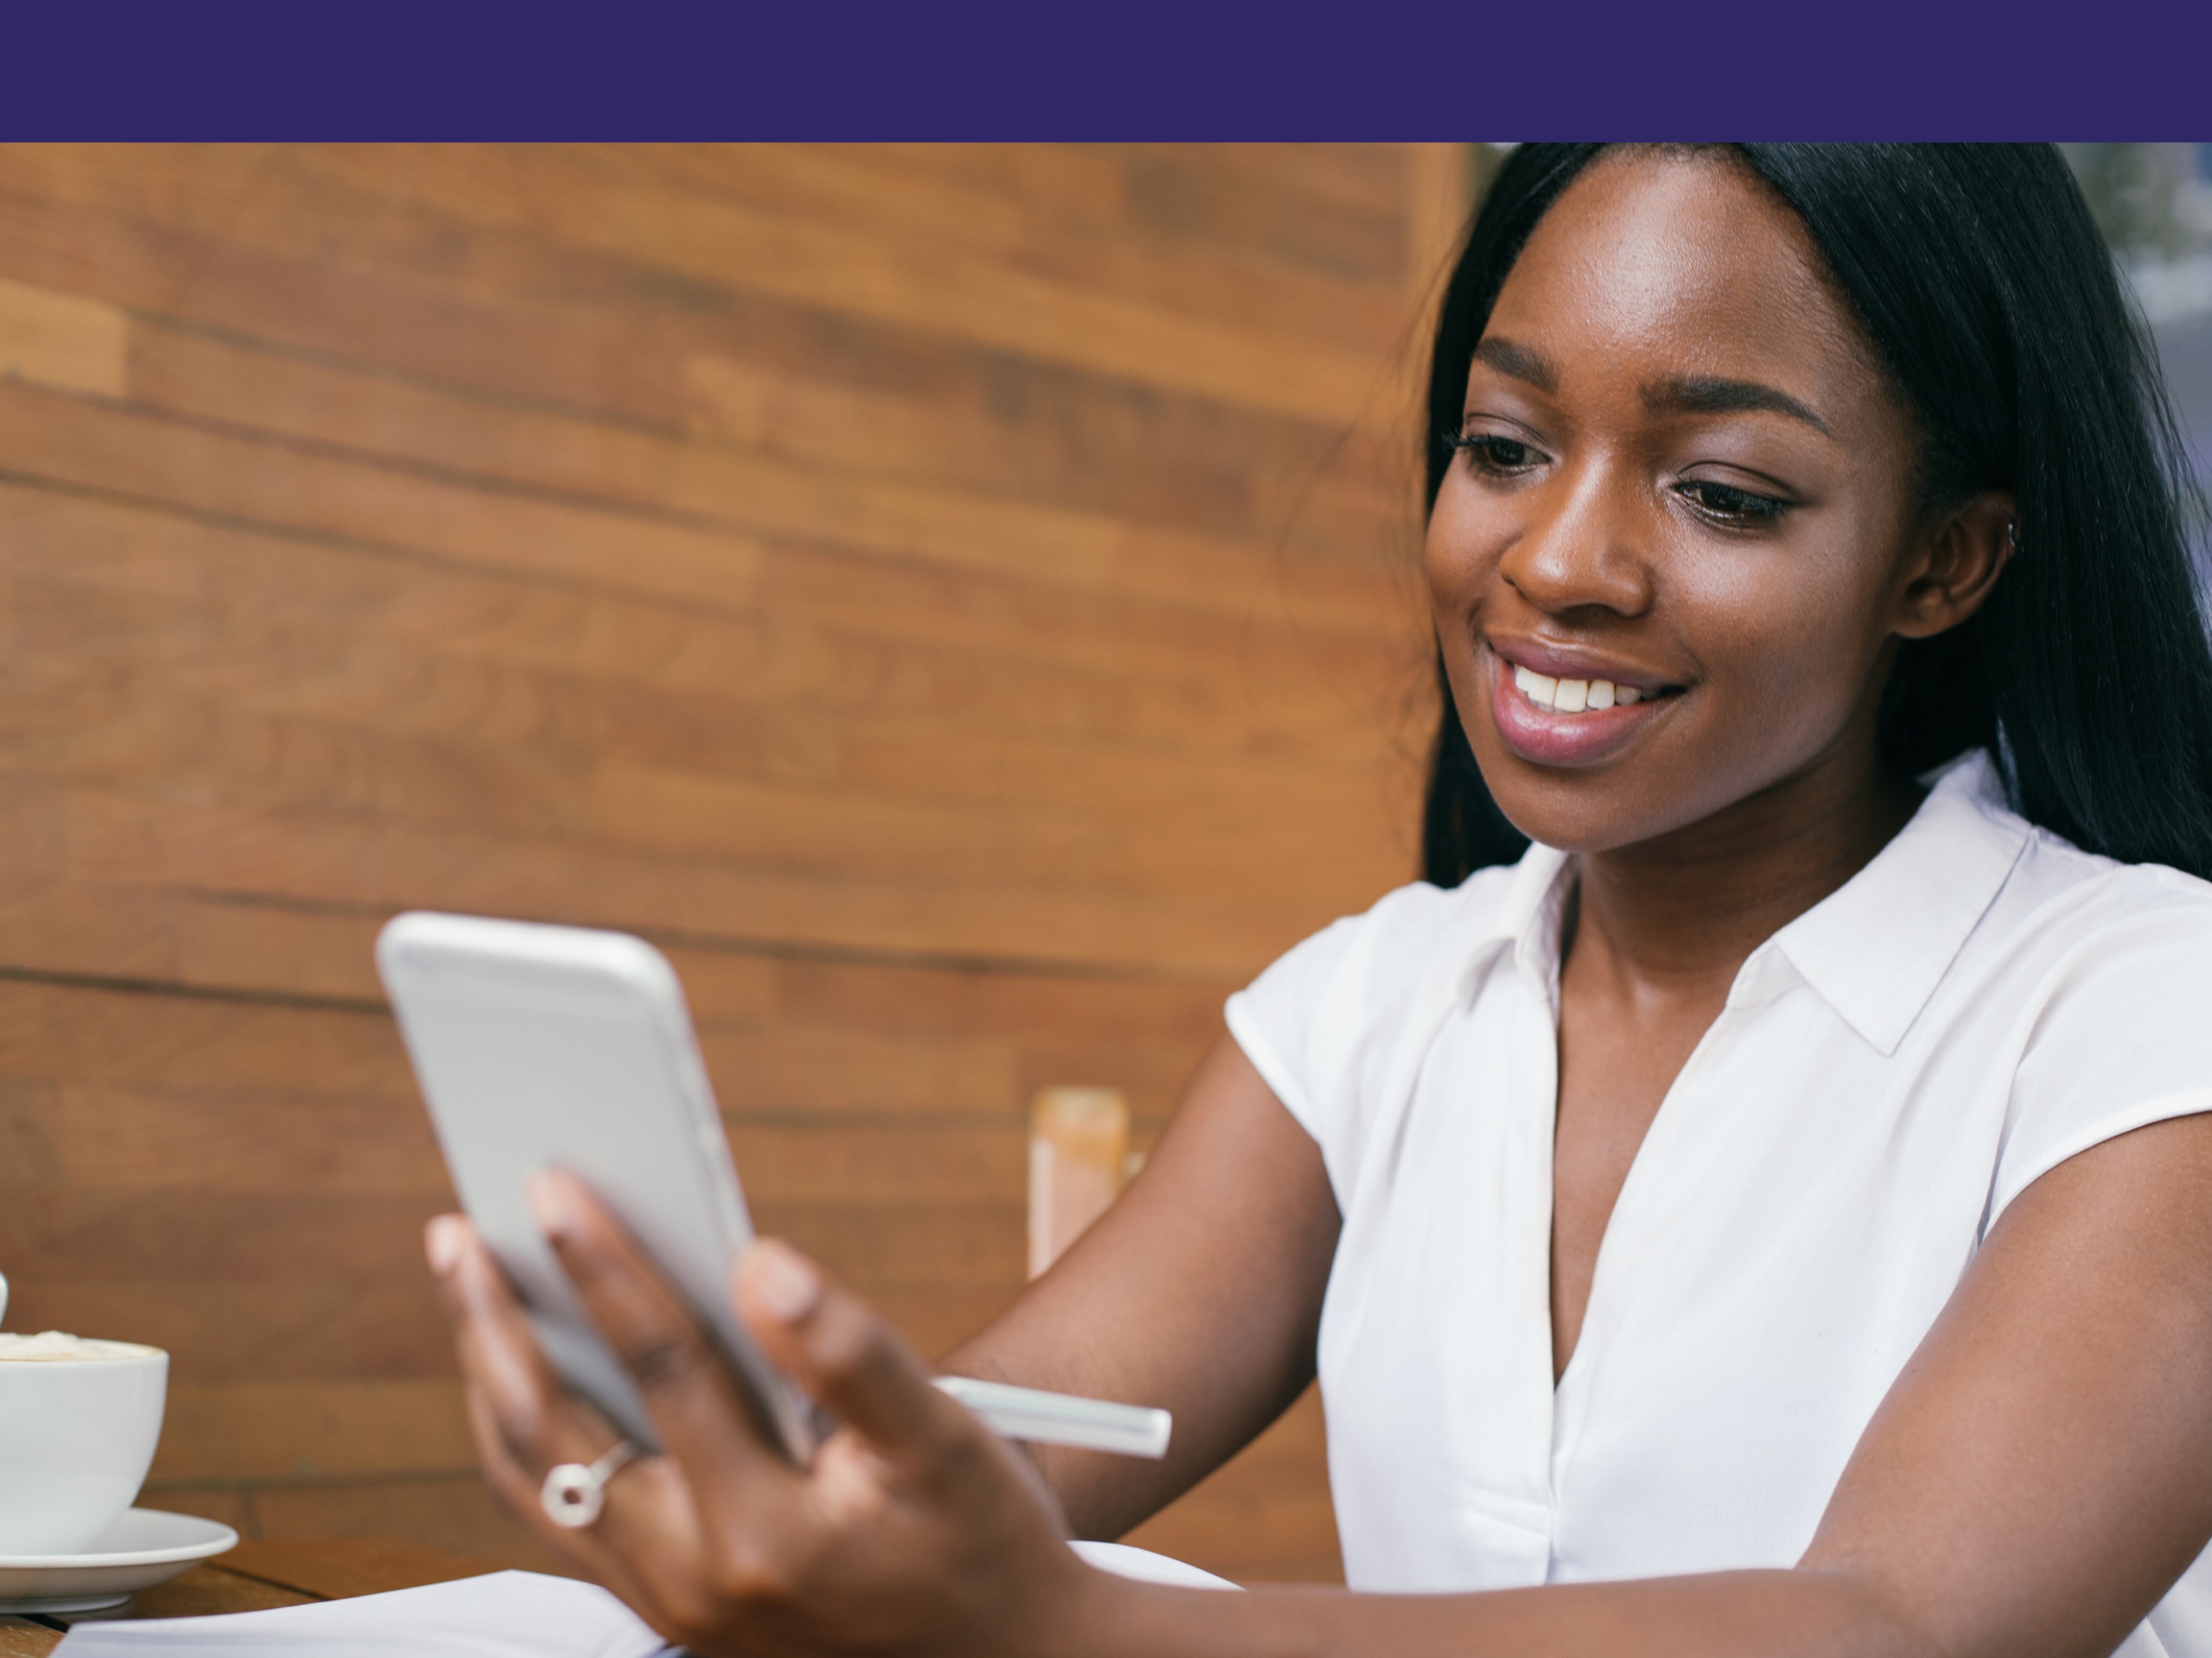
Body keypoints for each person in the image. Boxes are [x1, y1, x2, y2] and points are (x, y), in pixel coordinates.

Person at [424, 143, 2212, 1656]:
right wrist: (769, 1482)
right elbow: (992, 1467)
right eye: (1505, 445)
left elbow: (1898, 1625)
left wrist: (1073, 1629)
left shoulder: (2140, 1009)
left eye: (1721, 491)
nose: (1556, 561)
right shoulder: (1369, 1012)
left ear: (1940, 559)